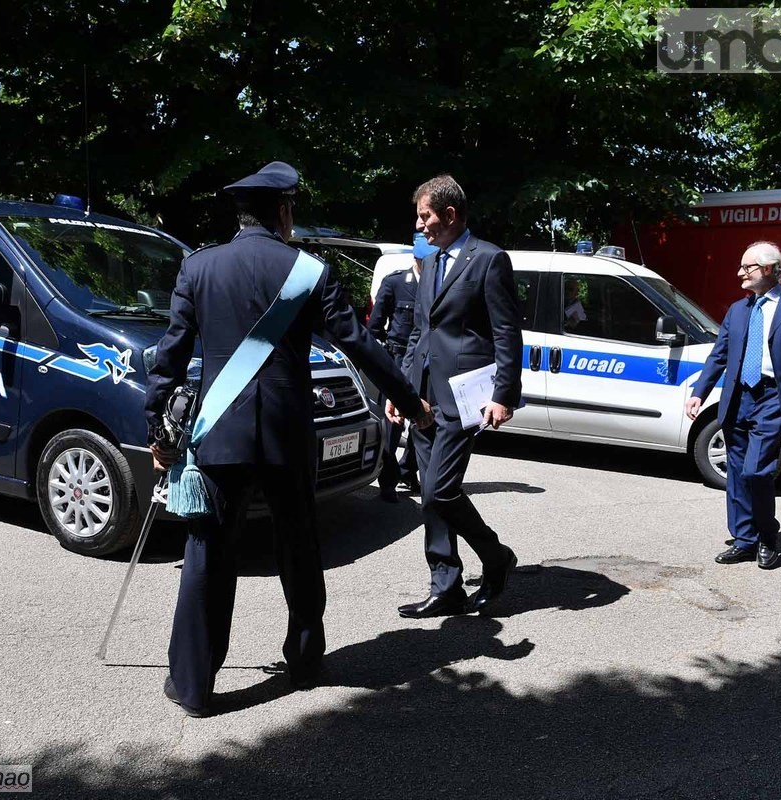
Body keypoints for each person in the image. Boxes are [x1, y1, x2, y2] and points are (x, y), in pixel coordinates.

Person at [145, 161, 432, 716]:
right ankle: (304, 662)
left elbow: (169, 359)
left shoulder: (199, 268)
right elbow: (361, 344)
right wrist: (413, 404)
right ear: (282, 211)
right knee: (299, 547)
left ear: (240, 214)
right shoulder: (308, 270)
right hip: (287, 435)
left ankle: (194, 685)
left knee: (207, 554)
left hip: (219, 435)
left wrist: (159, 430)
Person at [387, 175, 524, 618]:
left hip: (466, 397)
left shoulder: (488, 259)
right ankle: (445, 585)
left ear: (449, 214)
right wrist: (402, 390)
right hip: (423, 396)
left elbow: (506, 332)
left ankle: (495, 557)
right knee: (430, 491)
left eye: (425, 216)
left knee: (440, 491)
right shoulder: (429, 262)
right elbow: (418, 335)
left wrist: (504, 393)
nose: (419, 224)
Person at [685, 241, 781, 569]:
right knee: (735, 472)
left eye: (746, 267)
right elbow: (719, 355)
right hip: (737, 399)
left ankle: (767, 538)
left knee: (756, 471)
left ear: (768, 269)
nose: (740, 273)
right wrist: (699, 392)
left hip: (773, 399)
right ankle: (744, 539)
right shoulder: (738, 310)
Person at [367, 232, 435, 500]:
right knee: (392, 425)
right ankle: (387, 481)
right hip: (397, 361)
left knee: (424, 420)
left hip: (425, 363)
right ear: (417, 259)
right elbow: (374, 327)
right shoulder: (395, 282)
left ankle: (408, 470)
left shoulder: (438, 286)